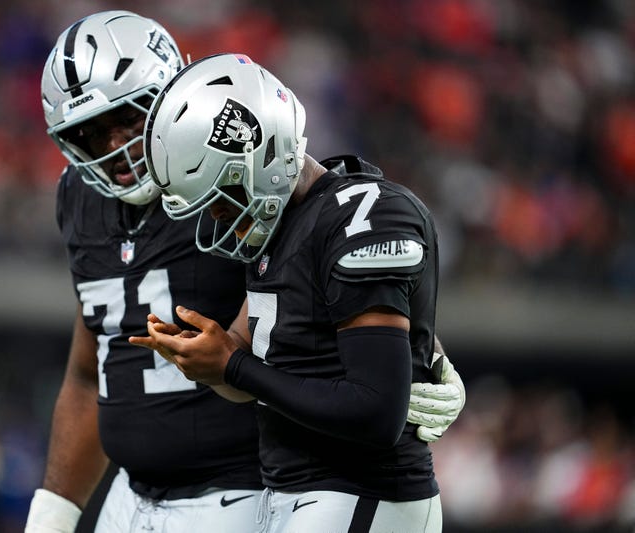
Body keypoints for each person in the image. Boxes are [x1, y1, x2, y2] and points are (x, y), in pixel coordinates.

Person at [26, 12, 464, 533]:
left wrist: (428, 354)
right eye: (90, 134)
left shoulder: (234, 177)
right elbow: (89, 363)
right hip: (128, 492)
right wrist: (52, 513)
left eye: (128, 118)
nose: (115, 148)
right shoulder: (79, 197)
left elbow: (335, 271)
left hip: (245, 492)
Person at [134, 52, 453, 532]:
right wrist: (204, 356)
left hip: (362, 490)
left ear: (261, 154)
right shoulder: (288, 226)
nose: (219, 218)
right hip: (301, 492)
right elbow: (248, 364)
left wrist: (234, 367)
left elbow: (375, 414)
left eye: (224, 196)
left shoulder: (363, 215)